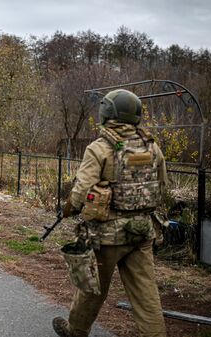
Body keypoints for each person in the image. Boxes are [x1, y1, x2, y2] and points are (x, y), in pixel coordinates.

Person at [53, 89, 168, 337]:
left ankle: (76, 331)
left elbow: (80, 191)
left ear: (108, 113)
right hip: (142, 232)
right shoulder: (152, 147)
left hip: (106, 236)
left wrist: (68, 209)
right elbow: (162, 185)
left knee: (92, 288)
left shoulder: (101, 147)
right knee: (147, 296)